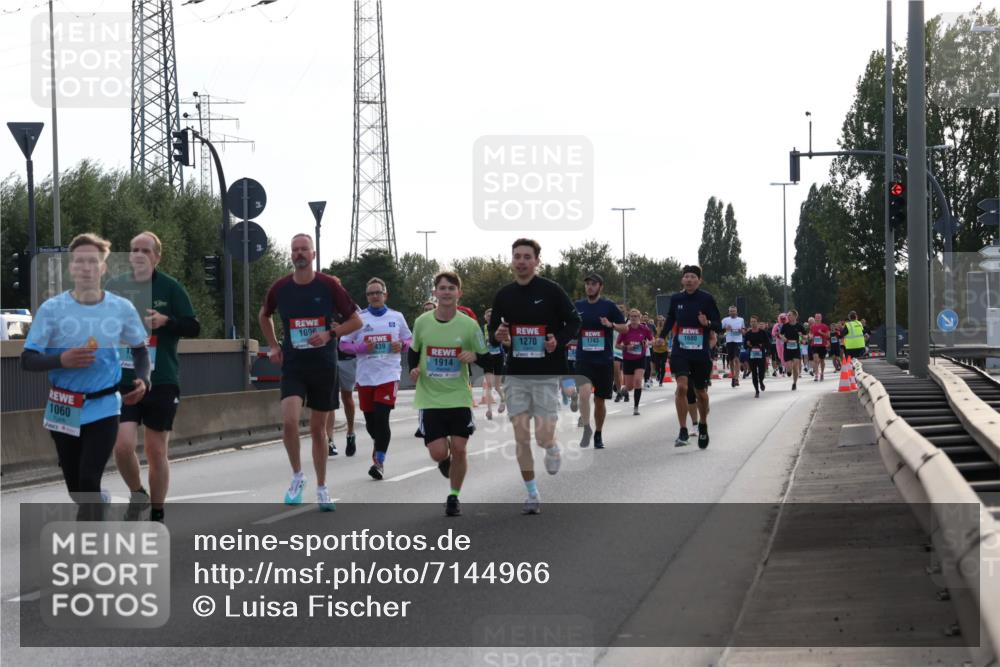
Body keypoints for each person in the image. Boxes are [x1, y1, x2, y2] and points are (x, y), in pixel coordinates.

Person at [22, 233, 150, 521]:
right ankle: (98, 504)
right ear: (71, 268)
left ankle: (86, 554)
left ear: (103, 268)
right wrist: (61, 360)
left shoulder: (121, 308)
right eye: (80, 261)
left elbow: (141, 351)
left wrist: (144, 379)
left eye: (93, 261)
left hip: (105, 404)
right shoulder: (52, 310)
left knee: (89, 481)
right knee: (77, 488)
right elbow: (27, 360)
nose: (86, 267)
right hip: (64, 406)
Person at [259, 233, 361, 511]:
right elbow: (264, 314)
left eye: (304, 249)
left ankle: (322, 487)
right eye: (295, 250)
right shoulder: (281, 288)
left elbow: (356, 321)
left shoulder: (328, 285)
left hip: (324, 366)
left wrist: (330, 334)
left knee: (318, 430)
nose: (299, 253)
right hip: (293, 365)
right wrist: (274, 346)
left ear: (313, 254)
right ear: (291, 255)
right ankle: (297, 477)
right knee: (290, 421)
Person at [107, 231, 200, 523]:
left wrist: (166, 321)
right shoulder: (115, 286)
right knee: (122, 446)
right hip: (124, 379)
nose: (139, 255)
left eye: (145, 250)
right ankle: (138, 493)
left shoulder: (171, 288)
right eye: (134, 249)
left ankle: (157, 512)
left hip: (161, 380)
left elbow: (194, 326)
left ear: (157, 256)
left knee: (155, 449)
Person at [488, 238, 581, 515]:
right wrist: (499, 335)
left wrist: (558, 340)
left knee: (542, 437)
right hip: (516, 374)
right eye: (517, 256)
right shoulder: (504, 295)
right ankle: (531, 493)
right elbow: (495, 330)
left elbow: (574, 321)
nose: (521, 261)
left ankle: (551, 448)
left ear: (537, 261)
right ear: (512, 260)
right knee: (520, 438)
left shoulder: (551, 290)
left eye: (527, 256)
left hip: (546, 374)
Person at [409, 272, 491, 516]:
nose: (446, 292)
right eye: (442, 288)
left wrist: (474, 356)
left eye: (451, 288)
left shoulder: (469, 325)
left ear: (459, 293)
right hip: (430, 398)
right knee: (438, 453)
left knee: (460, 448)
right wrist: (413, 369)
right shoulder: (422, 322)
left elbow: (486, 357)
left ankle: (454, 497)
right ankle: (444, 462)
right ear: (435, 293)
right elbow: (414, 351)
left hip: (458, 396)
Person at [338, 277, 412, 480]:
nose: (374, 296)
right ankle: (378, 443)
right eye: (370, 293)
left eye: (378, 292)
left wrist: (402, 345)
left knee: (382, 417)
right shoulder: (359, 318)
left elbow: (410, 338)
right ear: (367, 297)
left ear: (385, 295)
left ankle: (379, 462)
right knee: (371, 422)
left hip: (389, 374)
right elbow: (343, 344)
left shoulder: (396, 317)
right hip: (365, 377)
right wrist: (361, 348)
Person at [664, 265, 721, 449]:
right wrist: (659, 337)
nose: (689, 279)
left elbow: (719, 325)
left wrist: (708, 323)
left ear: (699, 280)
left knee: (701, 394)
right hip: (680, 351)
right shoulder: (676, 299)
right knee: (681, 387)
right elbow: (670, 320)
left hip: (700, 353)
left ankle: (703, 424)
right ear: (682, 280)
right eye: (686, 276)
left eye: (693, 277)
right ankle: (683, 430)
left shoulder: (707, 299)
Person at [573, 273, 627, 449]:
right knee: (584, 393)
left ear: (600, 286)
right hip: (584, 359)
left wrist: (611, 325)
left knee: (599, 401)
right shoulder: (578, 306)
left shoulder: (609, 306)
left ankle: (598, 433)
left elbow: (625, 328)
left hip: (604, 360)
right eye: (587, 284)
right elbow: (569, 325)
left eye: (593, 284)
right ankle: (587, 428)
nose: (589, 287)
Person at [617, 308, 653, 416]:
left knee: (638, 381)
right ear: (629, 317)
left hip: (640, 359)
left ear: (640, 317)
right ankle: (624, 390)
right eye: (632, 317)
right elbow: (617, 345)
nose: (634, 319)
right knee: (630, 387)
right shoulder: (625, 329)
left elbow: (652, 340)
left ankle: (636, 407)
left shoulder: (644, 329)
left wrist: (648, 344)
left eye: (636, 316)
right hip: (628, 360)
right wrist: (626, 347)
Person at [481, 307, 507, 420]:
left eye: (492, 316)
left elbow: (508, 341)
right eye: (488, 315)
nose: (490, 317)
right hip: (487, 357)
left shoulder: (500, 328)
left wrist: (501, 341)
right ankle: (489, 410)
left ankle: (503, 400)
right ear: (484, 317)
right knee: (489, 385)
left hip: (498, 357)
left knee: (497, 386)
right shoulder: (482, 329)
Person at [779, 309, 807, 391]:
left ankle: (794, 383)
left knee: (795, 366)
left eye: (790, 315)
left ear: (795, 316)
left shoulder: (799, 326)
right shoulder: (785, 325)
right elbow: (780, 334)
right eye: (788, 315)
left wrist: (803, 337)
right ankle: (788, 371)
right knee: (789, 368)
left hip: (796, 348)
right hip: (787, 348)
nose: (788, 316)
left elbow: (806, 336)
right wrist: (783, 338)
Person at [744, 316, 770, 398]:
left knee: (761, 373)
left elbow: (768, 343)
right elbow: (744, 345)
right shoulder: (748, 333)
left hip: (761, 355)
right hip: (752, 356)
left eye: (754, 321)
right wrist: (747, 344)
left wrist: (762, 345)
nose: (753, 323)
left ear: (758, 323)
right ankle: (757, 391)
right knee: (754, 374)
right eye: (751, 322)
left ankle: (761, 382)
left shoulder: (762, 332)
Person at [721, 305, 746, 388]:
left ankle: (736, 378)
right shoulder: (725, 320)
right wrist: (725, 328)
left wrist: (741, 330)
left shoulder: (741, 319)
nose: (732, 312)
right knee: (731, 361)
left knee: (736, 359)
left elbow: (744, 331)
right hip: (729, 341)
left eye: (734, 311)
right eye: (731, 311)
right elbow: (719, 329)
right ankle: (733, 376)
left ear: (736, 312)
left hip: (738, 341)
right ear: (728, 312)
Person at [808, 313, 831, 382]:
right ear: (815, 318)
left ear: (821, 318)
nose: (817, 319)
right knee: (815, 360)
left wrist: (821, 333)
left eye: (819, 317)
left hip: (822, 345)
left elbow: (828, 336)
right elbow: (810, 334)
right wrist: (810, 336)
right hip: (814, 345)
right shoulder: (812, 326)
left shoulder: (824, 326)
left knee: (822, 360)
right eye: (816, 317)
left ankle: (822, 373)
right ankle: (816, 375)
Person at [652, 315, 669, 385]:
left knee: (663, 365)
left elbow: (669, 338)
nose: (660, 321)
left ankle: (661, 381)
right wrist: (655, 342)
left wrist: (665, 342)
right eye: (659, 320)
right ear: (657, 321)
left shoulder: (666, 329)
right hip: (656, 350)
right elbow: (652, 338)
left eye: (662, 320)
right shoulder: (655, 329)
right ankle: (658, 374)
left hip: (664, 350)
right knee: (657, 365)